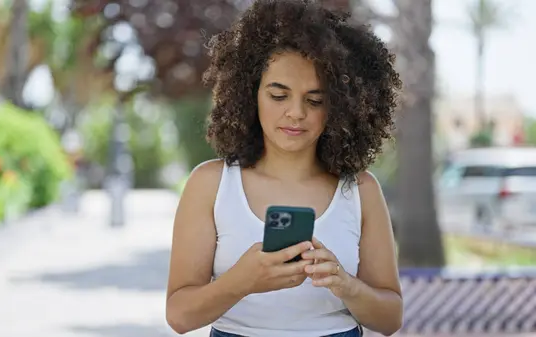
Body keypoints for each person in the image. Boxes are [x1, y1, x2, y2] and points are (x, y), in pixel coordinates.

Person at [165, 0, 403, 336]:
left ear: (339, 106)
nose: (296, 112)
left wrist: (345, 285)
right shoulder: (210, 184)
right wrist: (241, 281)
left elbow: (390, 318)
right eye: (279, 96)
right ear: (250, 94)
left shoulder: (360, 190)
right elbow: (179, 316)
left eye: (315, 100)